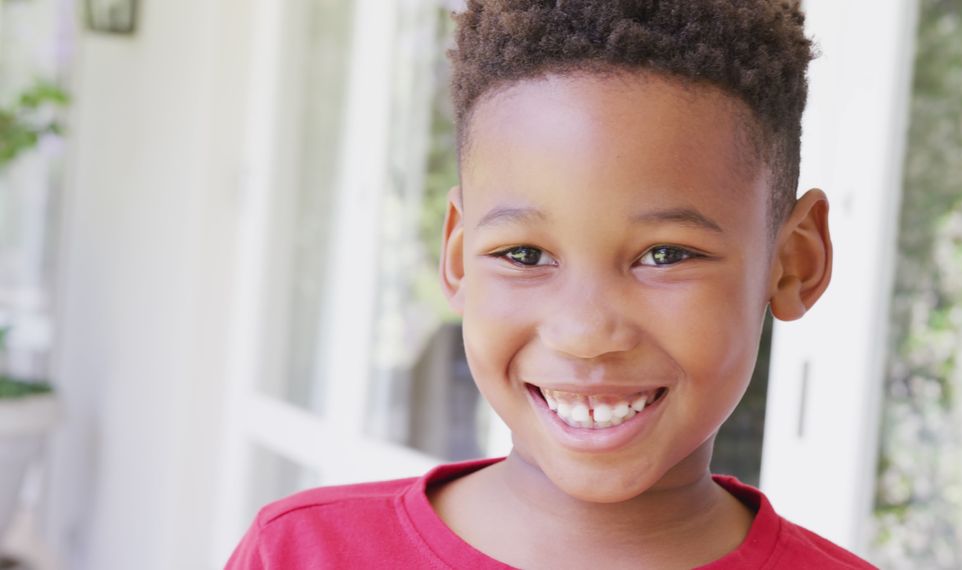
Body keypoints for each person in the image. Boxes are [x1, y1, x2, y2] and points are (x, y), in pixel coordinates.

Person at [227, 1, 874, 567]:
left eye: (666, 254)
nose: (586, 332)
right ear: (457, 259)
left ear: (794, 263)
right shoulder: (300, 554)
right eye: (525, 254)